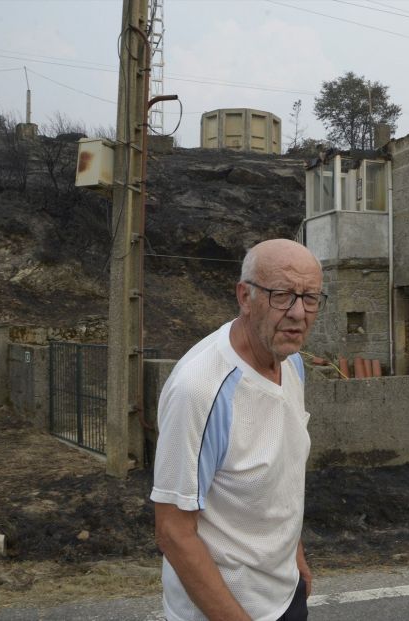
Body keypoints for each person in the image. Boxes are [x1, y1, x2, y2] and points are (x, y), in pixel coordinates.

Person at [150, 238, 325, 621]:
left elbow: (281, 473)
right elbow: (173, 533)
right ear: (245, 297)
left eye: (310, 297)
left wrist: (295, 559)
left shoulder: (291, 363)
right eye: (282, 295)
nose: (298, 313)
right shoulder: (199, 390)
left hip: (284, 595)